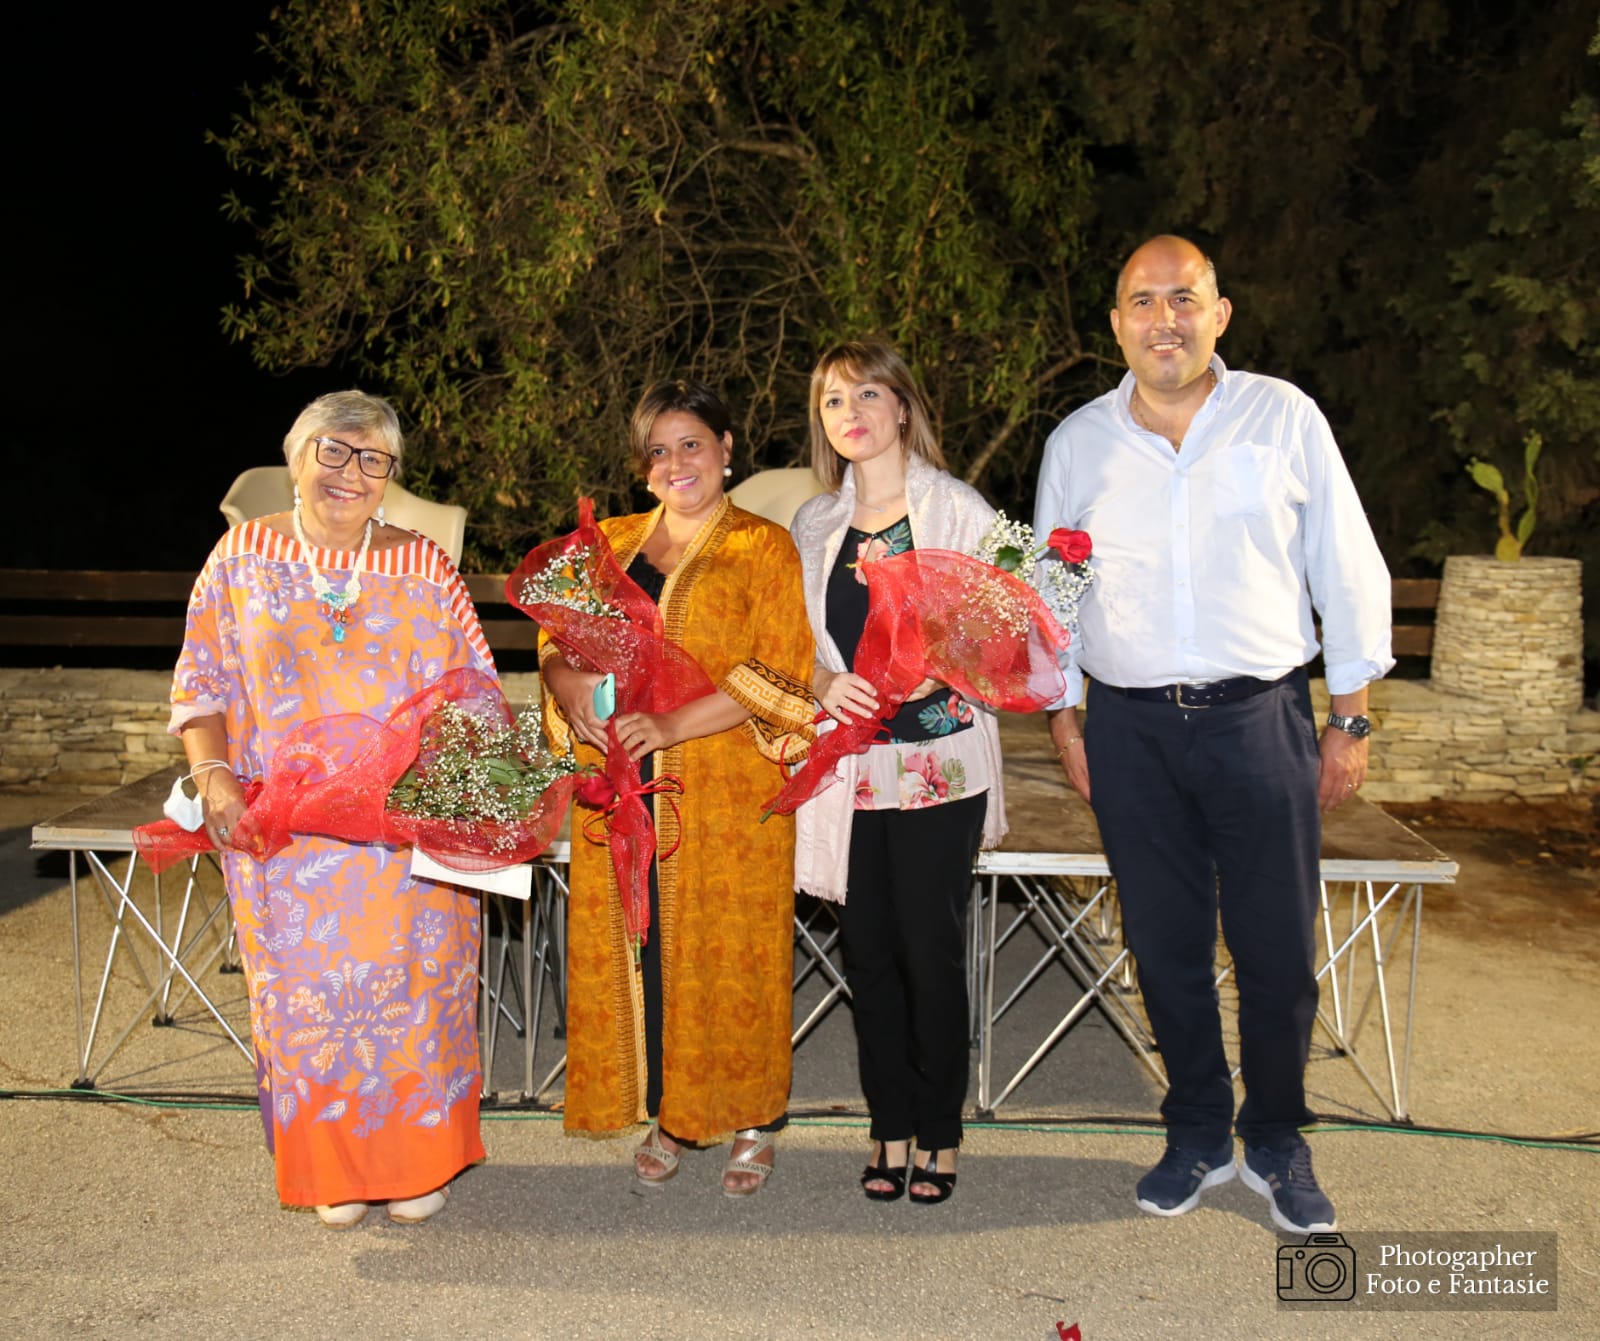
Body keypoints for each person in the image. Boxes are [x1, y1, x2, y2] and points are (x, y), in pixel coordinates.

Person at [1033, 236, 1394, 1233]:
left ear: (1219, 313)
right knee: (1164, 945)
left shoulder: (1282, 418)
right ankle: (1195, 1130)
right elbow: (1049, 594)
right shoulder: (1077, 446)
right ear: (1115, 323)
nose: (1164, 319)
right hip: (1131, 731)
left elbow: (1345, 565)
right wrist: (1064, 715)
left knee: (1275, 948)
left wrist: (1349, 716)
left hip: (1261, 719)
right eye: (1142, 300)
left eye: (1182, 299)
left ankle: (1275, 1137)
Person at [170, 390, 494, 1228]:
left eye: (373, 459)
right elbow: (200, 685)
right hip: (288, 835)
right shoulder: (237, 557)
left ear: (391, 475)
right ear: (297, 460)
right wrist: (215, 781)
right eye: (335, 453)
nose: (352, 474)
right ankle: (334, 1168)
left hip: (402, 836)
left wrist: (463, 799)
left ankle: (417, 1161)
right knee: (311, 1005)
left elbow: (476, 691)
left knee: (413, 994)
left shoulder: (425, 565)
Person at [539, 380, 815, 1196]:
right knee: (648, 952)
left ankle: (753, 1118)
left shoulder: (765, 547)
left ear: (728, 449)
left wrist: (671, 728)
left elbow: (777, 673)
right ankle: (670, 1110)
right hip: (623, 789)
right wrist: (567, 690)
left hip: (726, 792)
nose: (674, 462)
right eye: (657, 450)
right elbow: (557, 641)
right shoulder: (609, 544)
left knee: (733, 955)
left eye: (691, 443)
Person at [791, 339, 1007, 1205]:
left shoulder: (957, 511)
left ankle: (941, 1134)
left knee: (928, 950)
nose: (851, 415)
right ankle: (887, 1125)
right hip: (852, 769)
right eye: (834, 401)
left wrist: (943, 661)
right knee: (869, 954)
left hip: (936, 768)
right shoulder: (815, 525)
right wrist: (818, 679)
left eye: (868, 395)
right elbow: (799, 646)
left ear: (904, 408)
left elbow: (1007, 630)